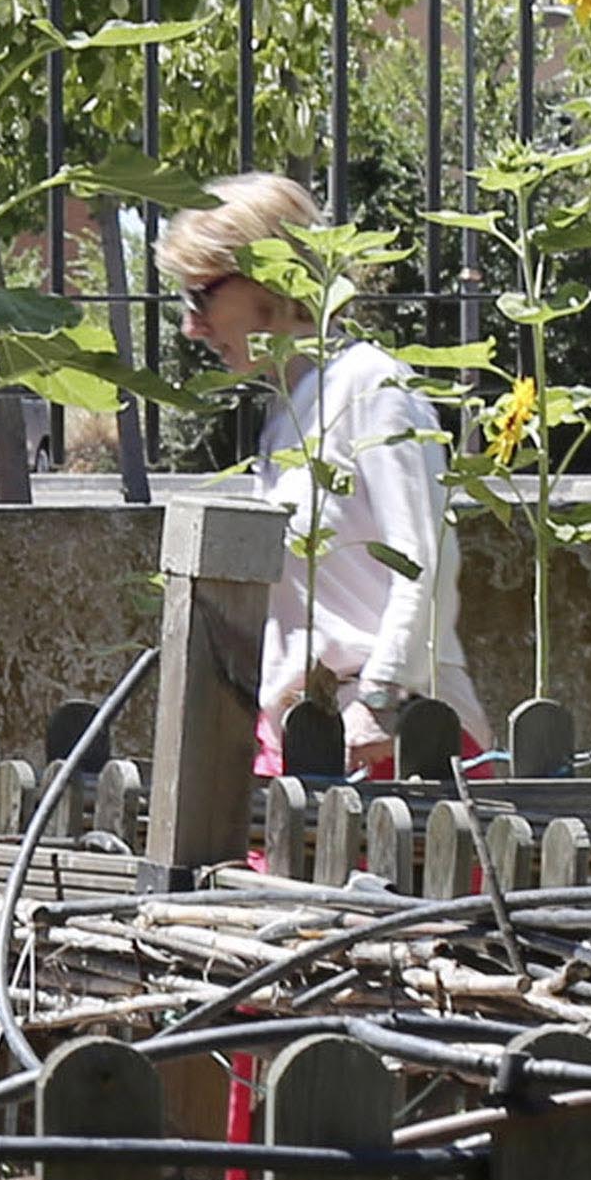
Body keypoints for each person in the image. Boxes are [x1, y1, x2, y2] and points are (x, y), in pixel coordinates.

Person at [160, 172, 469, 774]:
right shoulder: (287, 414)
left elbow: (427, 561)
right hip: (304, 738)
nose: (190, 327)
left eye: (201, 297)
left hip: (386, 741)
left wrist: (380, 701)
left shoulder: (374, 389)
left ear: (269, 276)